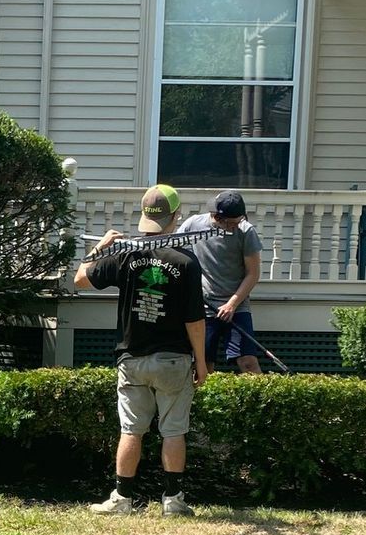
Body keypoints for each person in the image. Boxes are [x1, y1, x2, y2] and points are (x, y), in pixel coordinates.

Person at [73, 182, 209, 516]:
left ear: (145, 215)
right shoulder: (187, 262)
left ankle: (122, 499)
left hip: (132, 357)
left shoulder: (125, 254)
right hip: (174, 360)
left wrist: (101, 248)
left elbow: (79, 279)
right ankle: (173, 502)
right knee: (173, 430)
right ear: (175, 216)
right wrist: (201, 361)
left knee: (131, 430)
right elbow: (194, 319)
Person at [179, 190, 264, 374]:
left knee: (248, 363)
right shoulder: (193, 225)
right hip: (204, 308)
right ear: (217, 217)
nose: (235, 227)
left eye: (238, 221)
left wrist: (232, 304)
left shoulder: (246, 231)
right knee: (202, 365)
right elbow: (172, 252)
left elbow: (253, 274)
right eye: (231, 223)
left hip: (237, 307)